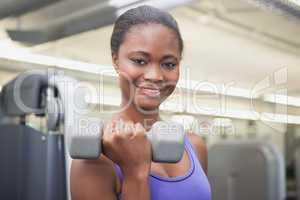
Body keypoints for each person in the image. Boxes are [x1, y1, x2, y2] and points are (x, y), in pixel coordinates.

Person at [71, 5, 211, 200]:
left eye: (169, 64)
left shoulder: (195, 146)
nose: (155, 76)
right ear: (116, 60)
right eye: (139, 60)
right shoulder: (96, 157)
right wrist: (135, 173)